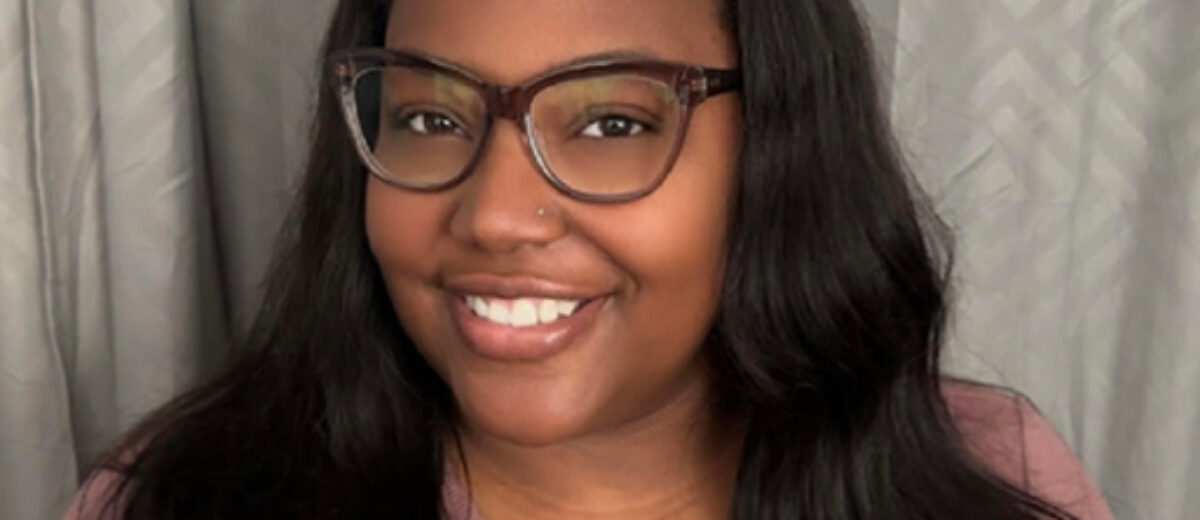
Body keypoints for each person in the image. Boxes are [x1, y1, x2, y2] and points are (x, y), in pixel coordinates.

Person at [65, 0, 1115, 518]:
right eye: (429, 114)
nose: (497, 214)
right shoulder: (178, 498)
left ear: (780, 153)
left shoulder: (990, 478)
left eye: (611, 123)